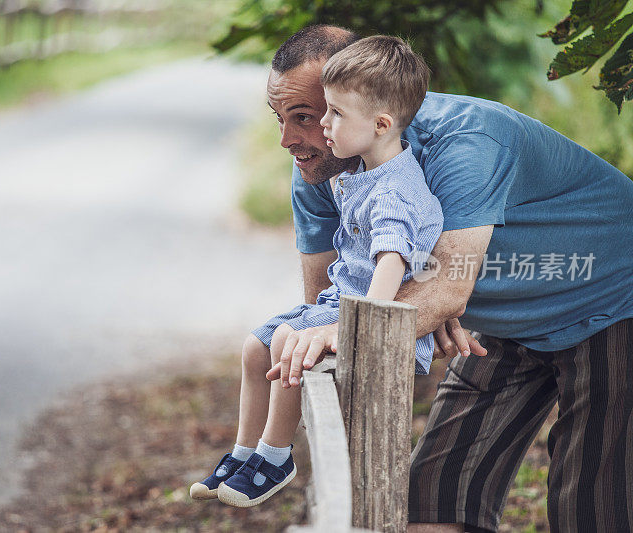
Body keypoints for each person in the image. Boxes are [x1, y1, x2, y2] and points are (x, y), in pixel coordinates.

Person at [265, 24, 633, 533]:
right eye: (283, 119)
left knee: (591, 504)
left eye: (312, 115)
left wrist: (426, 305)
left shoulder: (466, 140)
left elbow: (440, 287)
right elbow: (332, 304)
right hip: (504, 322)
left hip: (610, 293)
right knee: (431, 502)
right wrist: (416, 309)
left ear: (373, 108)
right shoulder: (322, 160)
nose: (291, 139)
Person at [189, 35, 442, 508]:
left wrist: (357, 326)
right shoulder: (358, 172)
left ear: (380, 123)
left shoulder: (395, 191)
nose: (322, 127)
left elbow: (393, 260)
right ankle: (245, 452)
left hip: (367, 319)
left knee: (287, 341)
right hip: (338, 305)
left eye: (330, 115)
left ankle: (275, 455)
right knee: (255, 346)